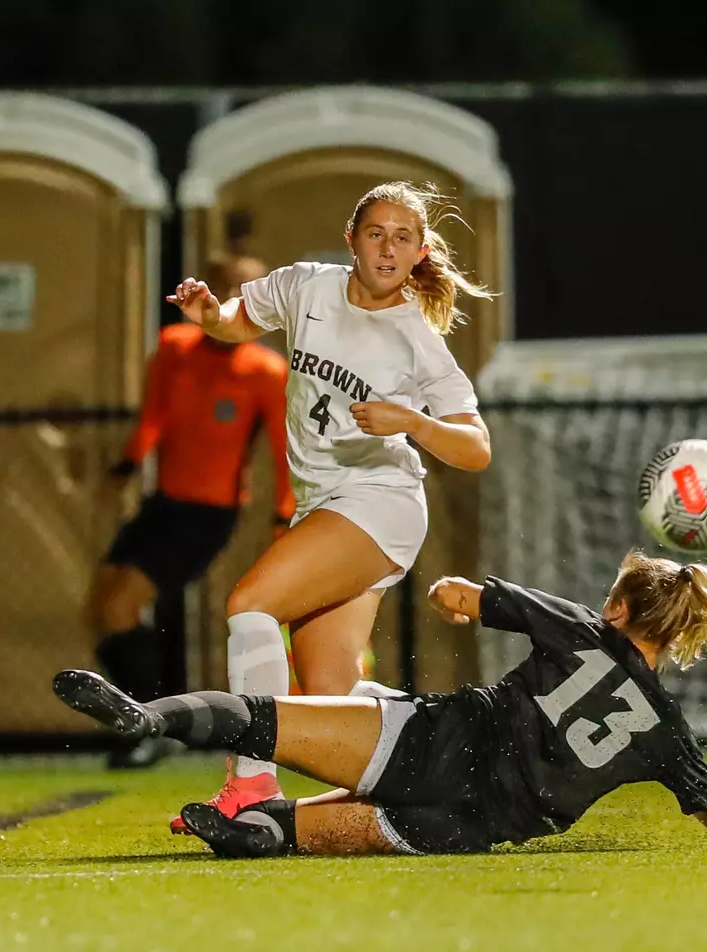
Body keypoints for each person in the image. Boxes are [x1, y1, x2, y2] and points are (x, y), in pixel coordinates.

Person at [54, 551, 707, 855]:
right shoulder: (666, 735)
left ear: (619, 610)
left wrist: (455, 595)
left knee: (260, 716)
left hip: (430, 743)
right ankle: (242, 834)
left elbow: (459, 597)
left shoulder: (582, 630)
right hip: (464, 826)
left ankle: (149, 718)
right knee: (296, 834)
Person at [162, 180, 494, 830]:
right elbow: (237, 321)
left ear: (421, 252)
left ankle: (251, 783)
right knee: (326, 702)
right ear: (351, 240)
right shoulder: (306, 286)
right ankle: (455, 751)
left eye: (403, 237)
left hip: (381, 503)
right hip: (325, 504)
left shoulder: (416, 337)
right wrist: (209, 317)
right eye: (376, 232)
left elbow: (476, 448)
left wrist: (413, 422)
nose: (388, 246)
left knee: (249, 604)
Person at [87, 255, 294, 765]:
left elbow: (283, 453)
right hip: (163, 503)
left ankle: (152, 723)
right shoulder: (174, 348)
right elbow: (153, 415)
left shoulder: (265, 372)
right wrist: (128, 464)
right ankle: (147, 716)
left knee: (120, 606)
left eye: (237, 291)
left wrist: (283, 517)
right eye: (217, 288)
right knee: (97, 608)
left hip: (207, 515)